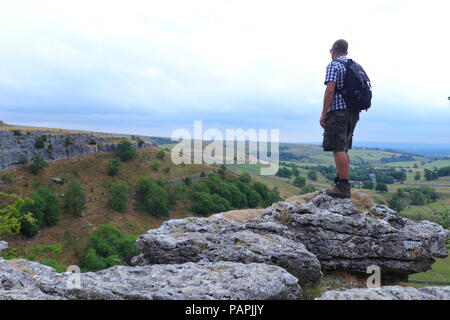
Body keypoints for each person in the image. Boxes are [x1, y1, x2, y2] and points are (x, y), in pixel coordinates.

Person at [320, 39, 360, 198]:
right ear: (346, 52)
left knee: (337, 148)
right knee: (343, 148)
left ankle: (343, 187)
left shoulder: (334, 65)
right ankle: (343, 183)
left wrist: (324, 112)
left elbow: (330, 90)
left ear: (333, 50)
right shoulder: (353, 65)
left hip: (338, 112)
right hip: (353, 112)